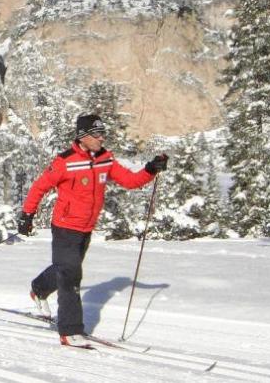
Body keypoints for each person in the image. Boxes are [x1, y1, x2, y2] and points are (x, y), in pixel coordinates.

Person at [17, 114, 167, 347]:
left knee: (64, 268)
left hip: (86, 228)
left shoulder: (106, 160)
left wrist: (150, 169)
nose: (102, 137)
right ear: (83, 137)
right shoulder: (64, 161)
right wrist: (27, 215)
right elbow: (40, 186)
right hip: (65, 227)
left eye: (102, 133)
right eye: (97, 134)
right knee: (70, 276)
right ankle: (69, 330)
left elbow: (130, 180)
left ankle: (39, 289)